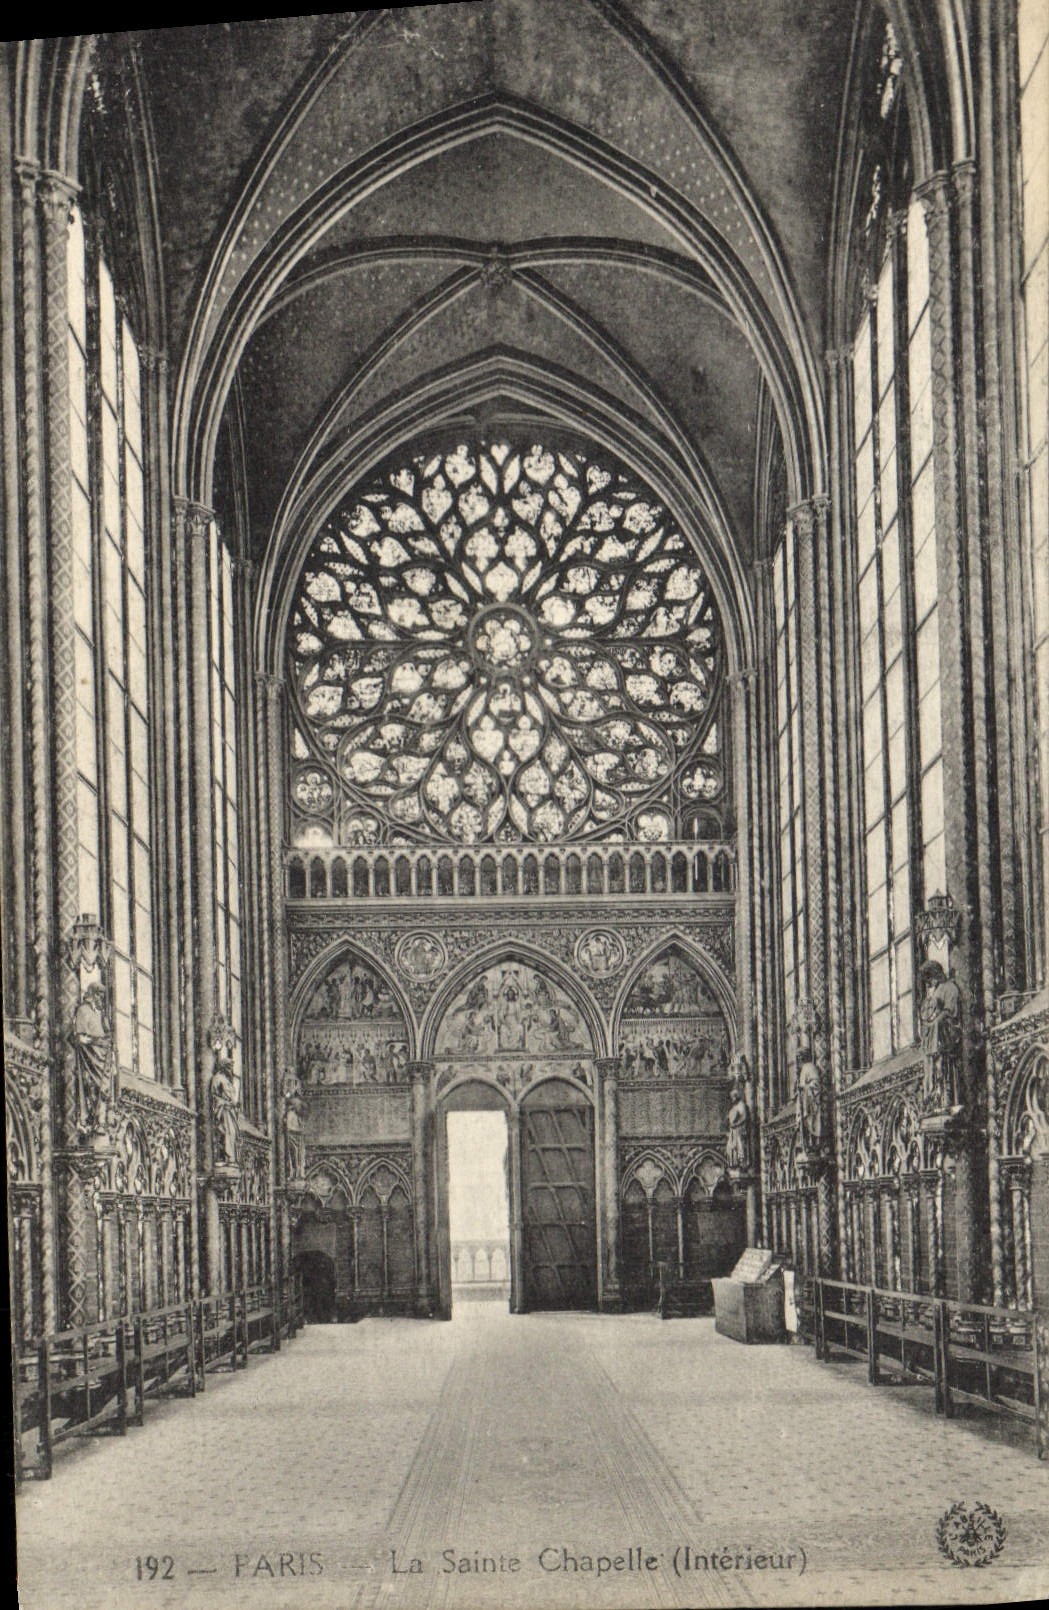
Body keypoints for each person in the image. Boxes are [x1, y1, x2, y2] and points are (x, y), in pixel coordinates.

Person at [70, 982, 116, 1139]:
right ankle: (88, 1121)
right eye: (98, 995)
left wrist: (107, 1044)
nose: (100, 998)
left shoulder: (101, 1015)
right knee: (90, 1090)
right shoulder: (83, 1011)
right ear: (91, 994)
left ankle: (100, 1122)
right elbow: (80, 1037)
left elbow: (107, 1036)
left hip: (103, 1060)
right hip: (89, 1060)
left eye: (102, 996)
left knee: (104, 1091)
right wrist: (98, 1042)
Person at [919, 960, 963, 1109]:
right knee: (932, 1062)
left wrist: (935, 1023)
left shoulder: (950, 988)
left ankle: (945, 1097)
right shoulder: (936, 990)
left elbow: (949, 1011)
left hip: (946, 1033)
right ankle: (933, 1094)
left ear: (936, 974)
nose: (929, 983)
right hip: (935, 1034)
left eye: (929, 979)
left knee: (942, 1065)